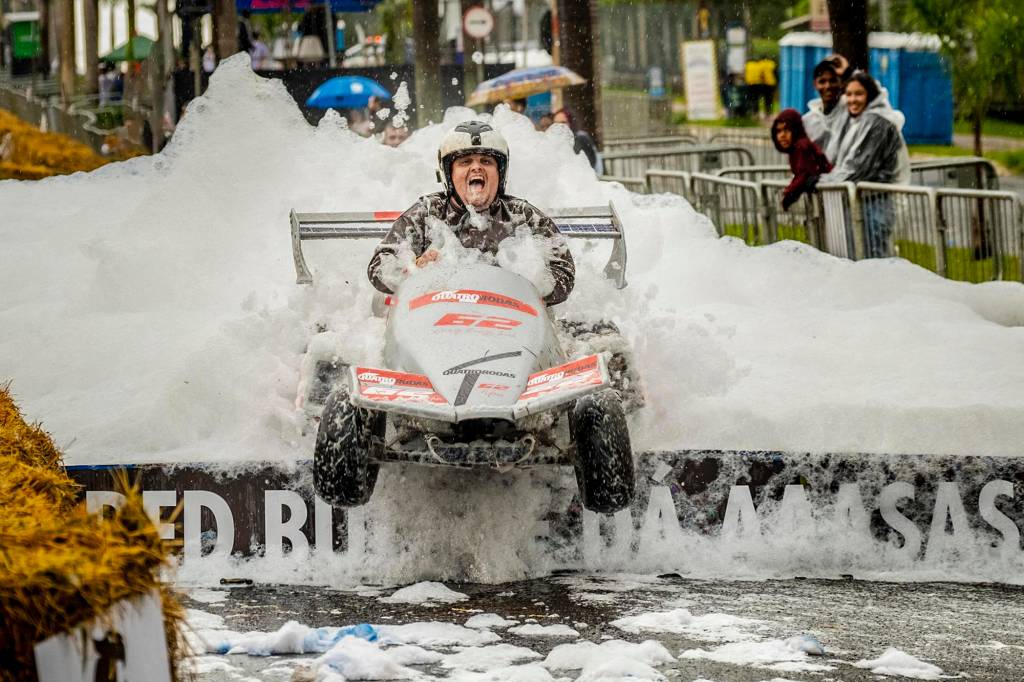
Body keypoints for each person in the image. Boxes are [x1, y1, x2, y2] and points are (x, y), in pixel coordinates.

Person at [367, 120, 575, 305]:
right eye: (465, 162)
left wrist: (531, 276)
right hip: (437, 318)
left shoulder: (523, 216)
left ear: (500, 174)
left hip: (508, 318)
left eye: (486, 162)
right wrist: (413, 269)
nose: (476, 168)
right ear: (449, 174)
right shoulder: (427, 213)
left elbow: (565, 274)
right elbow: (378, 266)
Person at [819, 71, 911, 257]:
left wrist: (819, 182)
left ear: (871, 96)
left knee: (873, 263)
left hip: (877, 203)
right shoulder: (858, 121)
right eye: (849, 94)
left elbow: (857, 168)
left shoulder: (877, 123)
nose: (852, 99)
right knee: (865, 260)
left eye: (859, 94)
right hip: (865, 201)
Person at [771, 109, 832, 211]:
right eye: (778, 131)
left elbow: (803, 174)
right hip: (827, 196)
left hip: (831, 195)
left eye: (787, 130)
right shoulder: (796, 148)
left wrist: (788, 196)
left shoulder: (801, 146)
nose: (782, 135)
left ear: (796, 130)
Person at [802, 59, 846, 153]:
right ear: (815, 84)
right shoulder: (808, 121)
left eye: (833, 80)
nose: (828, 86)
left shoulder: (851, 113)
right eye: (822, 81)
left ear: (841, 82)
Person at [552, 109, 600, 173]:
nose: (560, 126)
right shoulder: (554, 143)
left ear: (570, 122)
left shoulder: (581, 138)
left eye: (563, 122)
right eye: (556, 124)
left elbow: (591, 164)